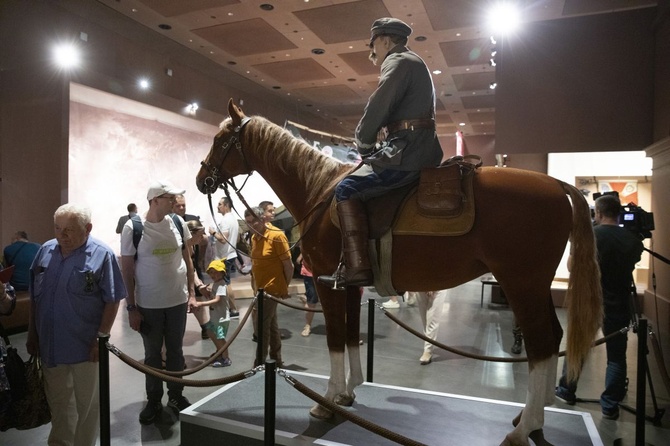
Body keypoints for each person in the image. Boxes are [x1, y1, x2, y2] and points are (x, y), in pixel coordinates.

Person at [318, 17, 443, 289]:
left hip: (407, 153)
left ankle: (357, 268)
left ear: (385, 40)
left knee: (347, 188)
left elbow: (378, 107)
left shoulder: (397, 62)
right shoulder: (412, 62)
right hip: (417, 148)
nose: (371, 50)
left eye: (373, 42)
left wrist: (363, 144)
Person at [26, 204, 126, 446]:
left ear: (88, 228)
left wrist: (100, 338)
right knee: (59, 404)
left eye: (69, 230)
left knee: (88, 406)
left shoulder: (102, 254)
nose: (62, 236)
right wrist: (33, 334)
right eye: (58, 229)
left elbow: (112, 299)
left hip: (85, 348)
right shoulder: (45, 251)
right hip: (50, 345)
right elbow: (35, 298)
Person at [555, 194, 643, 420]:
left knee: (577, 347)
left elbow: (573, 267)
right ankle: (610, 405)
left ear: (599, 213)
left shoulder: (590, 235)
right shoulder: (632, 239)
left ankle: (567, 390)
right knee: (616, 356)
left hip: (589, 300)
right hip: (619, 303)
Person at [120, 180, 196, 424]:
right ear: (154, 201)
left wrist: (192, 292)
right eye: (170, 198)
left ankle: (176, 396)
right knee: (152, 354)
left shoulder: (177, 222)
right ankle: (154, 400)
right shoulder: (133, 228)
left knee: (175, 351)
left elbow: (187, 258)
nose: (175, 202)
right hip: (149, 304)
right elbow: (127, 269)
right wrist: (131, 307)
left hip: (176, 300)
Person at [245, 206, 293, 367]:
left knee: (262, 327)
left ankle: (259, 362)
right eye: (248, 222)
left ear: (262, 219)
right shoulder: (254, 238)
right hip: (259, 290)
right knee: (271, 326)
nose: (252, 225)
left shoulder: (277, 236)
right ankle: (276, 358)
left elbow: (288, 265)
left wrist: (284, 288)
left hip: (271, 290)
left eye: (254, 222)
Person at [194, 260, 232, 367]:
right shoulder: (216, 284)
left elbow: (217, 300)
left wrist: (201, 304)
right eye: (211, 272)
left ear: (222, 273)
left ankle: (225, 358)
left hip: (221, 318)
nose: (213, 275)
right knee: (210, 332)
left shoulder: (221, 285)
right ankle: (220, 352)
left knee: (220, 338)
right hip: (215, 317)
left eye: (216, 272)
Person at [209, 197, 240, 318]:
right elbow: (236, 238)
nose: (218, 206)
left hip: (224, 257)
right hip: (230, 254)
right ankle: (231, 309)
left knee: (226, 283)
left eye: (220, 204)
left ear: (226, 205)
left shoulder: (226, 220)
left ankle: (233, 309)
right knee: (226, 282)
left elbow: (223, 239)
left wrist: (212, 232)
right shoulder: (233, 219)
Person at [405, 290, 447, 365]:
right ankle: (428, 347)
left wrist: (432, 285)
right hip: (421, 285)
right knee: (425, 319)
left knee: (432, 319)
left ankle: (427, 350)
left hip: (439, 284)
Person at [186, 219, 211, 340]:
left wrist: (199, 285)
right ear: (191, 234)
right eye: (200, 234)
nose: (202, 237)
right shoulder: (183, 246)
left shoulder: (192, 246)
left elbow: (191, 268)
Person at [297, 252, 318, 337]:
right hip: (310, 271)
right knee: (311, 300)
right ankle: (308, 325)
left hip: (327, 270)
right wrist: (301, 255)